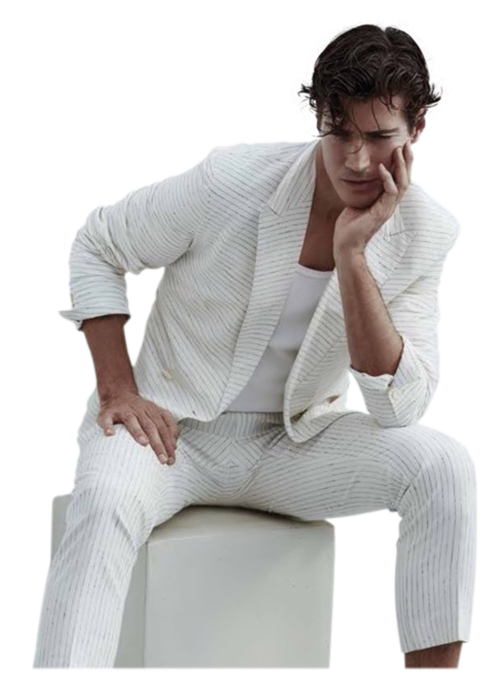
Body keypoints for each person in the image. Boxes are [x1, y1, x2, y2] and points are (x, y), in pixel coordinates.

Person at [32, 20, 476, 672]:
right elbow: (98, 243)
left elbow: (399, 406)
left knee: (443, 464)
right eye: (339, 133)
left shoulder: (427, 230)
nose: (357, 160)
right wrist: (118, 388)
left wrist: (354, 257)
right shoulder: (230, 179)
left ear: (418, 130)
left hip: (295, 446)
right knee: (102, 505)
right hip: (169, 435)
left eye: (379, 137)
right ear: (315, 121)